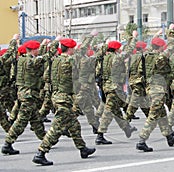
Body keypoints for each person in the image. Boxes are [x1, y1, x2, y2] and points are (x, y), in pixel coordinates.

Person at [32, 38, 96, 166]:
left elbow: (46, 76)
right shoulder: (71, 61)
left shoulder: (55, 60)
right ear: (71, 49)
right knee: (56, 128)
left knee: (74, 125)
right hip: (65, 98)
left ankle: (82, 148)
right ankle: (41, 153)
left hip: (56, 95)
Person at [2, 38, 59, 155]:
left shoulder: (21, 60)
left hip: (24, 93)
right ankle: (8, 143)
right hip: (28, 94)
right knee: (21, 121)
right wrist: (56, 42)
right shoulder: (31, 62)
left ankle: (45, 139)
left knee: (35, 119)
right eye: (37, 49)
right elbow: (47, 56)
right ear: (33, 50)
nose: (38, 51)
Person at [136, 25, 174, 152]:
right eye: (162, 47)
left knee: (162, 114)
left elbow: (152, 44)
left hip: (150, 88)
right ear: (160, 47)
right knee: (153, 116)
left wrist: (157, 34)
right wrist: (170, 31)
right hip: (158, 91)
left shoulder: (147, 55)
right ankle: (142, 140)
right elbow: (171, 46)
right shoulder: (161, 57)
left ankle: (169, 136)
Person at [95, 32, 138, 145]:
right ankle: (100, 134)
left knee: (116, 110)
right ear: (116, 50)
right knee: (109, 111)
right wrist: (133, 38)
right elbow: (129, 51)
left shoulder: (103, 58)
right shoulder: (117, 58)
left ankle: (126, 128)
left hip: (107, 87)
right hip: (114, 89)